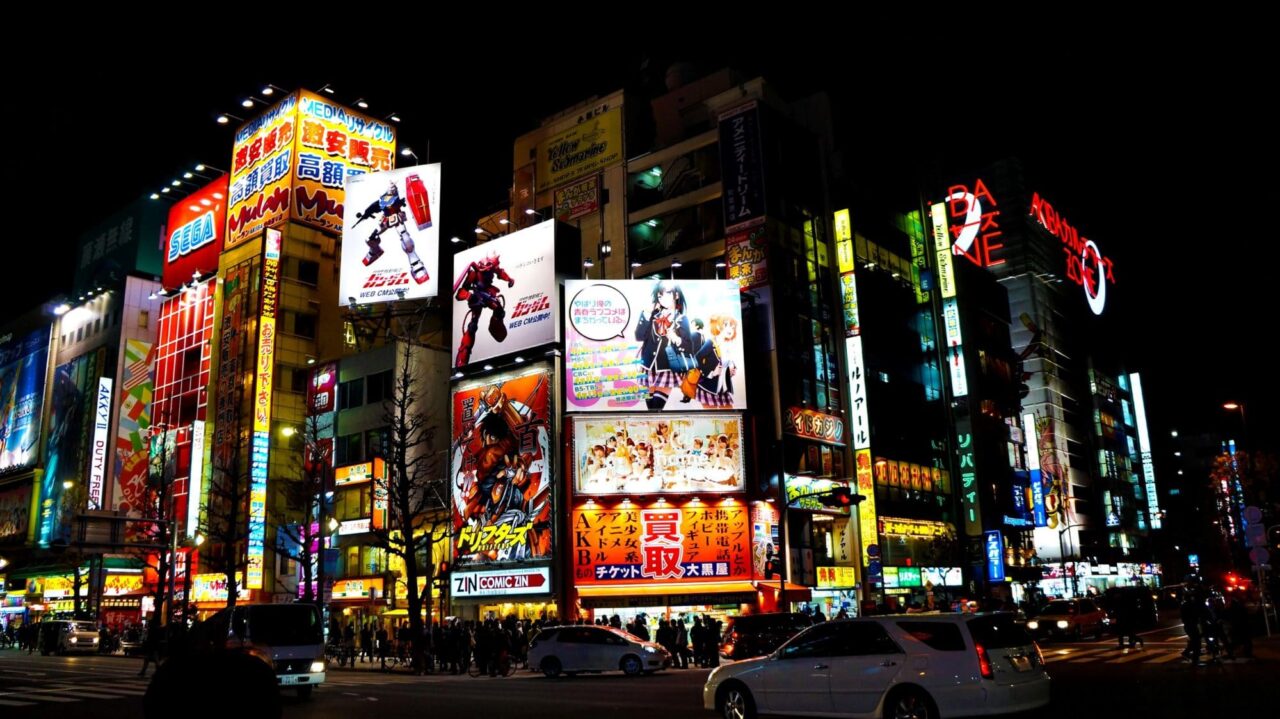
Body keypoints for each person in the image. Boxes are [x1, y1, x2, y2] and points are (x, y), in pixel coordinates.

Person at [352, 181, 431, 284]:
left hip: (397, 218)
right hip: (385, 220)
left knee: (406, 239)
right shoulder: (383, 199)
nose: (392, 190)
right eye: (390, 190)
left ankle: (415, 262)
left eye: (393, 189)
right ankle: (375, 250)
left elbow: (412, 199)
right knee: (369, 238)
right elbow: (374, 206)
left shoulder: (398, 197)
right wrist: (366, 214)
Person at [452, 252, 514, 366]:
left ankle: (496, 324)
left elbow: (500, 272)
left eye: (490, 270)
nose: (488, 272)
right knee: (472, 326)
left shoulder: (492, 268)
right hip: (477, 297)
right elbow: (460, 293)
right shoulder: (474, 273)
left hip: (488, 293)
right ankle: (463, 353)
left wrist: (509, 279)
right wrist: (469, 296)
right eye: (485, 270)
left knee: (499, 310)